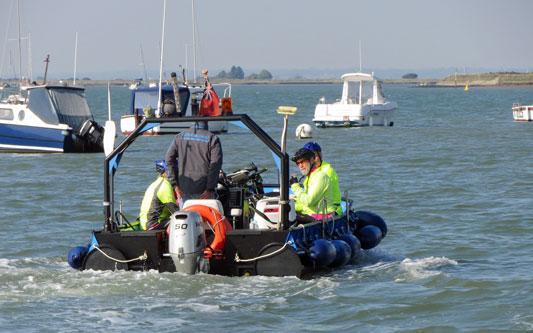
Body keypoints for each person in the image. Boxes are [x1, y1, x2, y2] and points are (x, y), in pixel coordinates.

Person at [166, 121, 223, 204]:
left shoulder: (179, 137)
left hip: (184, 190)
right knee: (205, 216)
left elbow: (168, 159)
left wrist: (175, 186)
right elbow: (216, 164)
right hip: (204, 191)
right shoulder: (212, 138)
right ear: (207, 121)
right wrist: (209, 189)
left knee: (186, 216)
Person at [289, 148, 335, 221]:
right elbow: (304, 204)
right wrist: (289, 205)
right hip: (313, 215)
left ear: (312, 160)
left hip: (322, 219)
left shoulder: (320, 176)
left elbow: (308, 202)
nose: (301, 166)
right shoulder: (309, 178)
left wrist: (295, 186)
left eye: (303, 162)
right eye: (298, 163)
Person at [303, 142, 343, 215]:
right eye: (307, 157)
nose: (312, 160)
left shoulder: (326, 172)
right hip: (318, 208)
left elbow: (311, 200)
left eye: (314, 156)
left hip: (331, 211)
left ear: (320, 155)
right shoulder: (312, 171)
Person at [139, 160, 179, 230]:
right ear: (168, 172)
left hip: (146, 222)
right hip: (153, 224)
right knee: (182, 222)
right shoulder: (165, 187)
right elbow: (176, 211)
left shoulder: (158, 183)